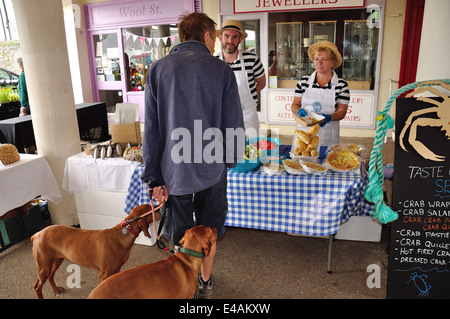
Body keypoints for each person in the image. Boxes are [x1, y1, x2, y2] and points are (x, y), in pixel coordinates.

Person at [141, 12, 245, 299]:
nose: (214, 45)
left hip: (174, 173)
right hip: (212, 169)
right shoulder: (221, 70)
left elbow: (151, 129)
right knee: (209, 230)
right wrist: (231, 160)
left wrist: (153, 177)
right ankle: (205, 282)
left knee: (180, 233)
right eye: (214, 38)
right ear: (207, 36)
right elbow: (233, 122)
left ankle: (180, 286)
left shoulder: (157, 69)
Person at [291, 41, 350, 150]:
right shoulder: (304, 81)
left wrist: (330, 117)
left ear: (332, 62)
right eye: (316, 59)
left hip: (328, 134)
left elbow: (342, 112)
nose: (319, 63)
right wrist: (298, 112)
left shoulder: (341, 85)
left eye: (324, 59)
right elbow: (295, 104)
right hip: (305, 133)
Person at [216, 20, 266, 136]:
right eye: (226, 36)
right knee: (228, 151)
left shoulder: (252, 59)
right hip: (223, 116)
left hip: (248, 116)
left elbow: (261, 83)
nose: (230, 41)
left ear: (240, 39)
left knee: (251, 151)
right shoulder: (213, 62)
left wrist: (244, 99)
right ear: (220, 38)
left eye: (234, 37)